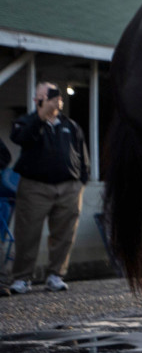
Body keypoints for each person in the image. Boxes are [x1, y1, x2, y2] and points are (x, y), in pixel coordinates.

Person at [2, 82, 89, 294]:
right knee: (27, 233)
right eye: (48, 96)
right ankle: (22, 278)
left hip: (68, 187)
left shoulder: (71, 125)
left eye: (56, 96)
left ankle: (55, 275)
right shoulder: (26, 122)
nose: (55, 100)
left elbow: (82, 154)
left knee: (64, 233)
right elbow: (21, 138)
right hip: (35, 186)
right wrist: (41, 116)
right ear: (37, 100)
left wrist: (81, 181)